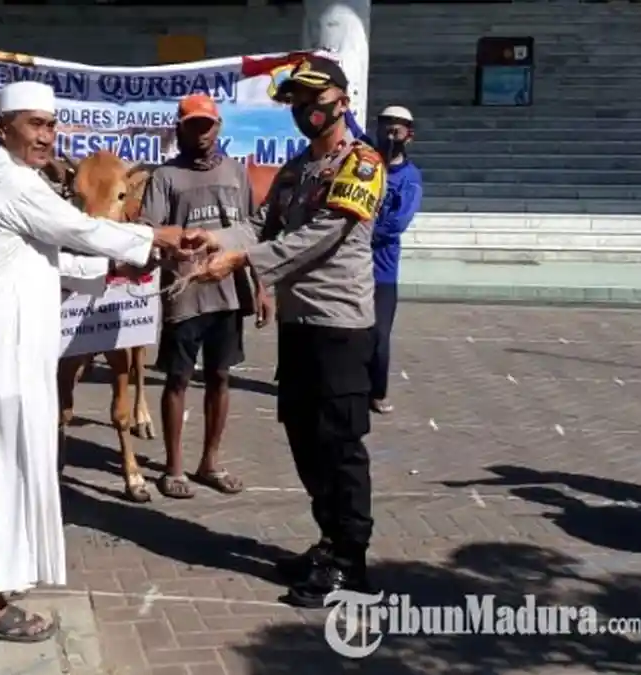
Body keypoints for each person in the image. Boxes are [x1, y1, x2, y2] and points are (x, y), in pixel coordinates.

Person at [0, 81, 194, 642]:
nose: (46, 136)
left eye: (51, 126)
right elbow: (78, 229)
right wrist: (155, 235)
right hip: (0, 351)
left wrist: (132, 261)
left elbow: (50, 258)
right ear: (1, 126)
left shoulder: (15, 179)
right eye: (34, 124)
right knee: (0, 469)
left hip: (0, 349)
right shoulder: (5, 179)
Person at [189, 54, 386, 606]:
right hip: (300, 327)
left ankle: (352, 563)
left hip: (341, 328)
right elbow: (260, 223)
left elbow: (320, 238)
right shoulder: (297, 169)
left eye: (315, 102)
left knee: (340, 445)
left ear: (341, 102)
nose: (305, 112)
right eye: (297, 104)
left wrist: (242, 264)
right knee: (304, 437)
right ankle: (328, 541)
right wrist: (216, 241)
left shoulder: (363, 164)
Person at [138, 93, 269, 500]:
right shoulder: (165, 177)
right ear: (179, 128)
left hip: (228, 294)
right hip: (184, 294)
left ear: (219, 127)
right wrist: (175, 248)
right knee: (177, 379)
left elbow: (254, 232)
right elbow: (149, 231)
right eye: (192, 125)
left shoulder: (235, 173)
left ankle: (210, 461)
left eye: (207, 125)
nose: (201, 132)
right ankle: (173, 467)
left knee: (221, 377)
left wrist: (263, 287)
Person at [346, 106, 423, 414]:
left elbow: (398, 224)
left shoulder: (410, 179)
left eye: (397, 130)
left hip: (382, 270)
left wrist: (363, 229)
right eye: (385, 128)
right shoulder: (368, 159)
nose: (390, 135)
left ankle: (377, 391)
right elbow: (349, 126)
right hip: (350, 265)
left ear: (409, 136)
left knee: (379, 335)